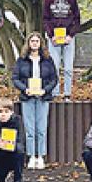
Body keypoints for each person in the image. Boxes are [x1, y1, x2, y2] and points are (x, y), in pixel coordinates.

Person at [12, 32, 57, 170]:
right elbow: (15, 78)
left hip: (43, 97)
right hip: (28, 98)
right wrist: (25, 89)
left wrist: (45, 90)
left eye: (37, 41)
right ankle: (31, 156)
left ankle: (41, 156)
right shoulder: (22, 60)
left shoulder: (48, 60)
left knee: (41, 129)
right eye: (32, 41)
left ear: (41, 43)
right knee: (30, 129)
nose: (35, 43)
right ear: (28, 43)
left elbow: (54, 79)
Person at [42, 0, 81, 99]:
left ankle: (67, 94)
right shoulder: (48, 0)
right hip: (54, 38)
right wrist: (51, 35)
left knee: (68, 68)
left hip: (68, 38)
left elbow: (77, 19)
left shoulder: (72, 0)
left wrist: (71, 35)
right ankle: (55, 93)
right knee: (55, 66)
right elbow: (45, 19)